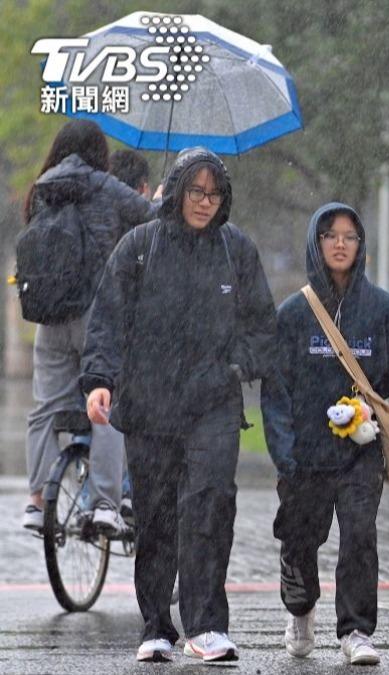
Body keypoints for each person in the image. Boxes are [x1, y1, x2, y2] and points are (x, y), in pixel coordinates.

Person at [81, 147, 277, 664]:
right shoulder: (138, 247)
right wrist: (100, 380)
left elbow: (262, 325)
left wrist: (237, 364)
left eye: (214, 193)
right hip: (149, 404)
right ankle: (155, 624)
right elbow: (107, 319)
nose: (204, 202)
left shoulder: (236, 250)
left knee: (211, 504)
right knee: (157, 515)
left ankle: (208, 623)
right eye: (196, 191)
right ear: (177, 189)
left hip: (213, 403)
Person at [263, 202, 389, 667]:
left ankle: (356, 630)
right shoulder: (293, 314)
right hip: (305, 457)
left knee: (360, 536)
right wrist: (283, 449)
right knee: (301, 539)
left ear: (360, 245)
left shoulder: (384, 311)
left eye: (349, 236)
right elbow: (276, 389)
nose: (340, 244)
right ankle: (300, 609)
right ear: (315, 243)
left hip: (361, 453)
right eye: (330, 235)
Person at [20, 120, 154, 535]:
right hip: (98, 318)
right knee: (105, 407)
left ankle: (38, 502)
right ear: (99, 152)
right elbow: (151, 221)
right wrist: (162, 199)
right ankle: (104, 503)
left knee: (45, 407)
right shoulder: (106, 187)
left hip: (49, 317)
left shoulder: (41, 189)